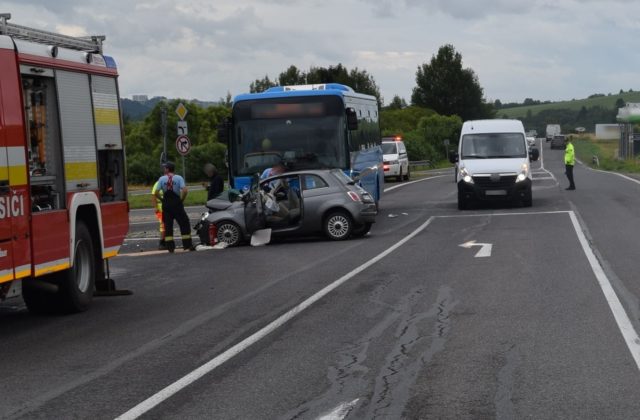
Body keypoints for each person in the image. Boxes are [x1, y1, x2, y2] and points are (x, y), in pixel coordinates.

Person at [155, 161, 194, 252]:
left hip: (167, 204)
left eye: (165, 168)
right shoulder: (179, 178)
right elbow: (184, 190)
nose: (164, 169)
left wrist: (162, 200)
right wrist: (181, 200)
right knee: (184, 223)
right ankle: (187, 245)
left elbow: (156, 192)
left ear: (168, 169)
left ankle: (170, 247)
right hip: (177, 203)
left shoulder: (161, 179)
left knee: (168, 226)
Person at [150, 180, 165, 249]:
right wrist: (155, 207)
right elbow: (153, 195)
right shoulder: (158, 183)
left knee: (167, 225)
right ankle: (162, 242)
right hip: (160, 208)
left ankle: (166, 241)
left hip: (168, 207)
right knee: (163, 224)